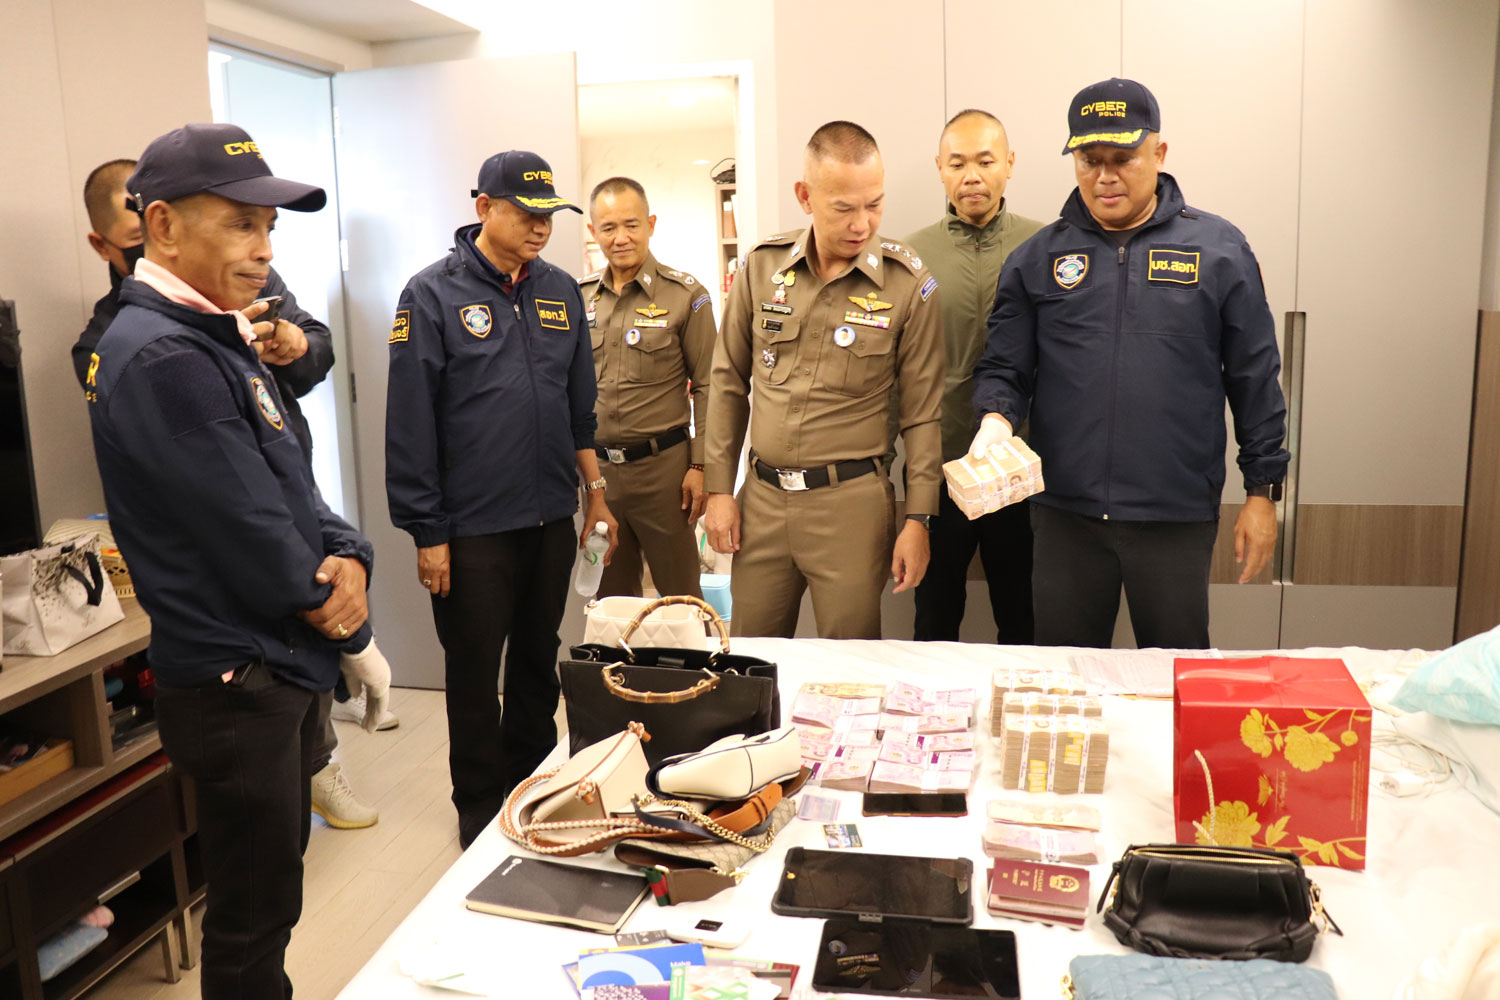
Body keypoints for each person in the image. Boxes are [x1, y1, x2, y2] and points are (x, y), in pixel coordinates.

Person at [86, 122, 391, 999]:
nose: (263, 253)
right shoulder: (161, 354)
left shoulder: (219, 331)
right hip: (238, 675)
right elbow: (249, 526)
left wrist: (350, 553)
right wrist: (338, 604)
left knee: (273, 899)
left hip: (274, 664)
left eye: (269, 230)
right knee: (254, 918)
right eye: (239, 226)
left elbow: (288, 473)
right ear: (164, 227)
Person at [972, 79, 1289, 649]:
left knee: (1172, 682)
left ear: (1159, 153)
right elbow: (1004, 368)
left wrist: (1262, 491)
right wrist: (995, 419)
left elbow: (1254, 378)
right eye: (1090, 161)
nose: (1105, 176)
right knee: (1063, 685)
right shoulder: (1038, 259)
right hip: (1065, 514)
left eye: (1123, 159)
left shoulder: (1219, 251)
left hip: (1173, 516)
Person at [386, 150, 618, 849]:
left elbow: (581, 410)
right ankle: (479, 802)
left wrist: (596, 498)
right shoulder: (430, 295)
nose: (540, 227)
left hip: (550, 514)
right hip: (472, 527)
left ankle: (531, 777)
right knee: (473, 663)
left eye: (548, 215)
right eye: (525, 213)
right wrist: (428, 531)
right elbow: (410, 425)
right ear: (483, 206)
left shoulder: (560, 291)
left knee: (536, 656)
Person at [703, 121, 944, 639]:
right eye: (844, 208)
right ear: (805, 196)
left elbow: (923, 415)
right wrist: (719, 490)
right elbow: (726, 382)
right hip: (762, 502)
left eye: (874, 204)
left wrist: (918, 519)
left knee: (850, 672)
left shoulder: (908, 286)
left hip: (850, 507)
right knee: (753, 661)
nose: (863, 223)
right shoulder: (762, 268)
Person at [903, 109, 1045, 644]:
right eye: (957, 163)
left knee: (1023, 614)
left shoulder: (1046, 246)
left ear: (1009, 164)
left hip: (1022, 472)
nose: (972, 176)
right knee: (935, 615)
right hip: (938, 468)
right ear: (939, 168)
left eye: (986, 161)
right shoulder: (910, 255)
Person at [579, 177, 715, 599]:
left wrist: (701, 465)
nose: (621, 238)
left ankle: (691, 668)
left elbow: (710, 384)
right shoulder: (576, 299)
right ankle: (616, 670)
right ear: (593, 233)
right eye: (608, 228)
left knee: (681, 601)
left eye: (632, 225)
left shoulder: (686, 296)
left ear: (651, 224)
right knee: (610, 602)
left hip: (666, 474)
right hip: (601, 478)